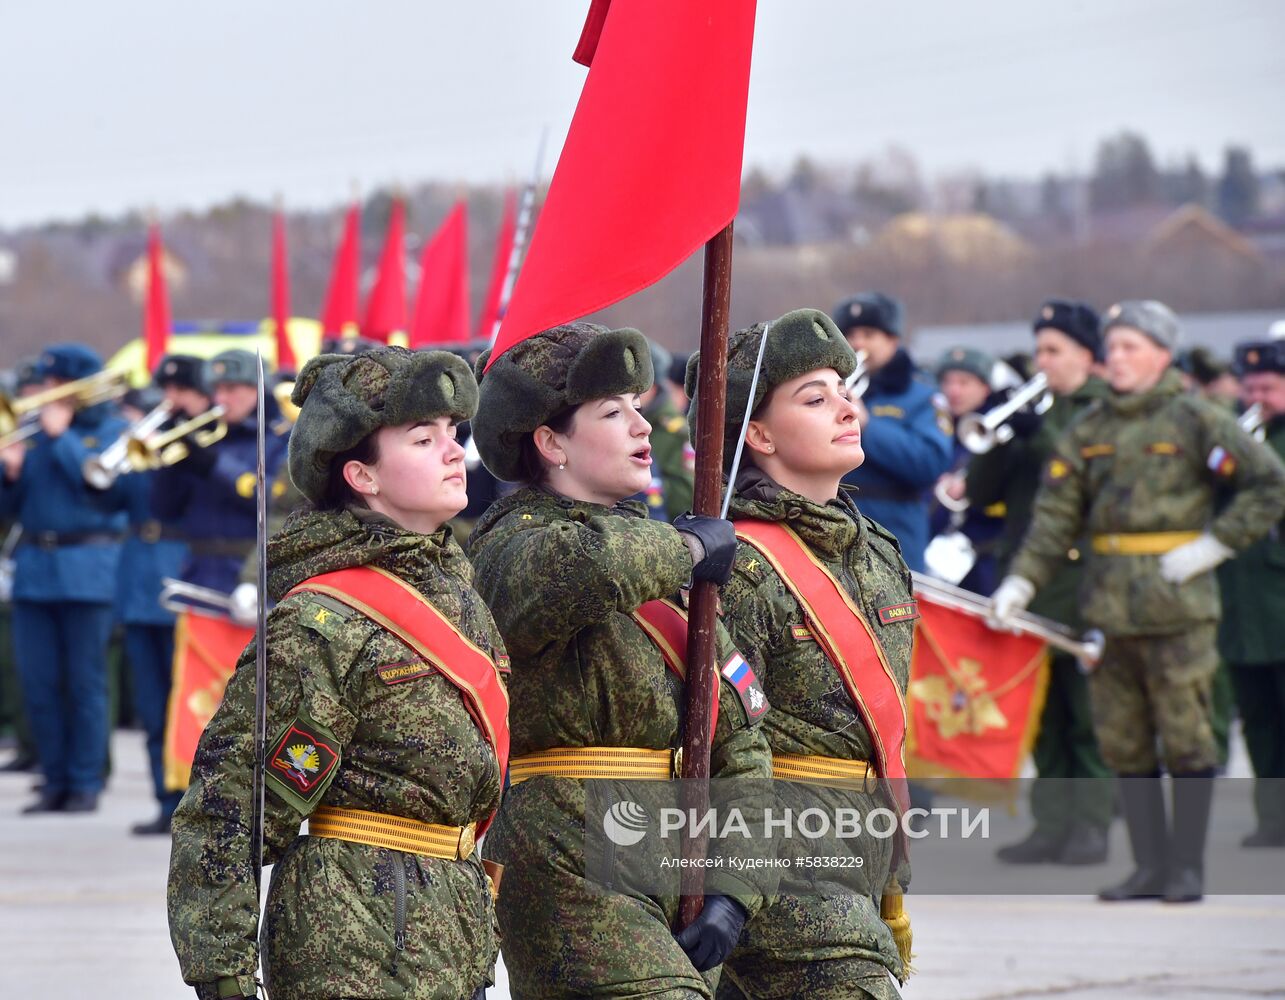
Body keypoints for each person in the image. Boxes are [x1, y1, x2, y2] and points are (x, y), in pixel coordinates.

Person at [168, 346, 507, 1000]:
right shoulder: (326, 624)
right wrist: (223, 976)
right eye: (422, 437)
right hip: (357, 940)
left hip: (448, 927)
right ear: (362, 476)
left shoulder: (455, 589)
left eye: (453, 434)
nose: (452, 451)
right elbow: (234, 807)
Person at [467, 323, 775, 999]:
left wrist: (734, 889)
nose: (643, 424)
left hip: (677, 857)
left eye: (638, 404)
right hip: (570, 859)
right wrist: (687, 552)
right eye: (612, 412)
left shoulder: (660, 557)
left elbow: (742, 743)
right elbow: (577, 572)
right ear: (549, 443)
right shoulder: (508, 545)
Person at [992, 300, 1285, 902]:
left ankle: (1186, 867)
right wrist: (1021, 581)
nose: (1117, 358)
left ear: (1162, 354)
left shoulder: (1197, 418)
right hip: (1107, 607)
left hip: (1178, 605)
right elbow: (1053, 519)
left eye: (1131, 347)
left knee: (1187, 738)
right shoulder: (1088, 430)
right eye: (1113, 346)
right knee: (1124, 740)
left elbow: (1267, 483)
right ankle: (1148, 866)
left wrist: (1216, 544)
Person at [686, 309, 914, 999]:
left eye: (843, 389)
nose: (846, 406)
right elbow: (718, 743)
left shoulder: (873, 549)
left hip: (864, 853)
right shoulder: (742, 566)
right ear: (756, 434)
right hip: (783, 870)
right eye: (813, 399)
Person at [970, 300, 1116, 866]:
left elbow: (1087, 474)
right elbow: (982, 493)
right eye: (1039, 350)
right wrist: (1003, 434)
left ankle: (1092, 825)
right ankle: (1052, 825)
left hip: (1081, 578)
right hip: (1024, 578)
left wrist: (1037, 430)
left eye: (1054, 350)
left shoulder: (1101, 409)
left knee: (1086, 713)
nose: (1042, 361)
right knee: (1041, 712)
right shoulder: (1031, 412)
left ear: (1085, 355)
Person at [0, 344, 128, 813]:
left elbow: (102, 487)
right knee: (40, 681)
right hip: (36, 571)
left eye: (56, 386)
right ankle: (53, 778)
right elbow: (9, 511)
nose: (46, 394)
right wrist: (9, 474)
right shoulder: (33, 437)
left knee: (84, 681)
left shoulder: (111, 431)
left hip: (87, 569)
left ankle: (85, 780)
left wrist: (64, 439)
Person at [152, 348, 290, 622]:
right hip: (199, 578)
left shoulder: (282, 438)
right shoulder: (206, 436)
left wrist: (213, 466)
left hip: (253, 579)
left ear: (257, 389)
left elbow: (277, 503)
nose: (221, 399)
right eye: (216, 390)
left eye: (231, 389)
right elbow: (163, 511)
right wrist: (170, 468)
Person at [111, 383, 189, 835]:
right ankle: (165, 798)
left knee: (189, 702)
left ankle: (195, 801)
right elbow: (102, 497)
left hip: (178, 574)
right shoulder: (135, 444)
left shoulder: (191, 444)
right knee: (151, 703)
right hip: (140, 583)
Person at [1217, 333, 1285, 847]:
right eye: (1252, 386)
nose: (1259, 396)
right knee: (1258, 718)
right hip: (1242, 606)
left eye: (1271, 386)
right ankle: (1272, 818)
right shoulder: (1235, 436)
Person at [832, 293, 953, 572]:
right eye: (849, 334)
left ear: (893, 340)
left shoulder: (923, 396)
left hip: (896, 535)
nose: (857, 343)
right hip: (839, 526)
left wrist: (867, 425)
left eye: (868, 334)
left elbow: (930, 463)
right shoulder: (833, 390)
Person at [928, 346, 1007, 595]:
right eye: (948, 382)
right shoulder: (936, 428)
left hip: (985, 559)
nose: (953, 390)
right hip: (938, 555)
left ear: (985, 387)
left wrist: (970, 486)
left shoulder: (1002, 431)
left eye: (964, 382)